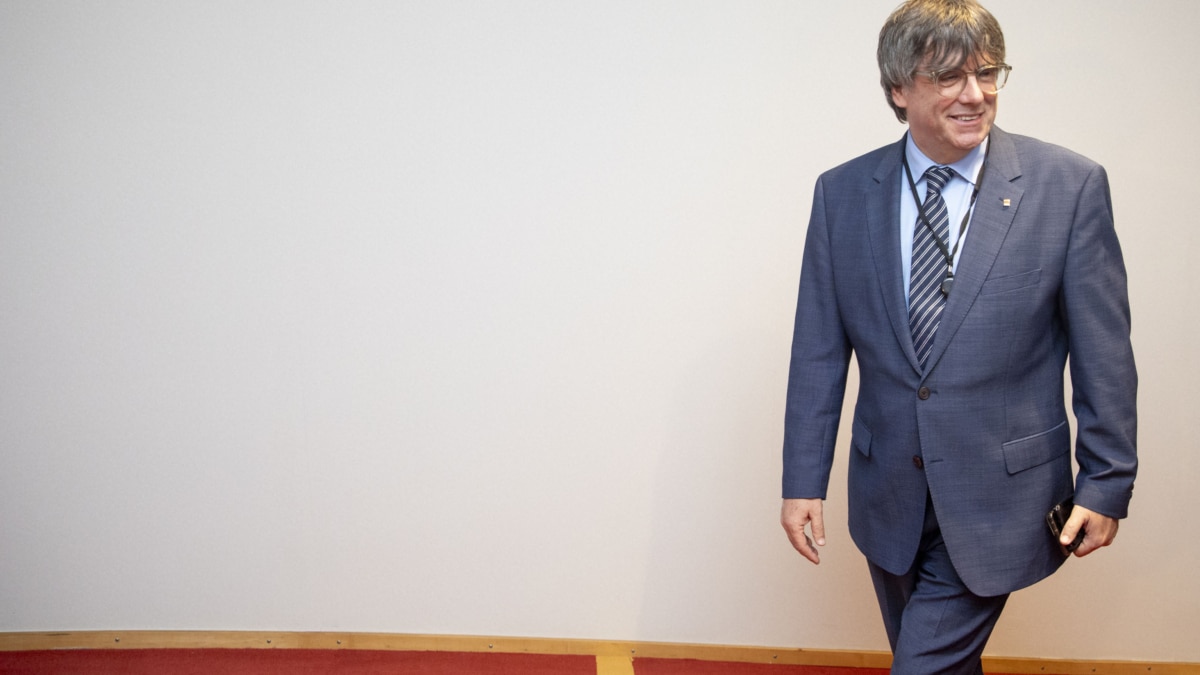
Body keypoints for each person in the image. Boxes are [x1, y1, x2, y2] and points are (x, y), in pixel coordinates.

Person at [779, 0, 1137, 672]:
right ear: (898, 89)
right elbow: (819, 351)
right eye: (948, 77)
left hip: (1005, 497)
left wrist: (1106, 481)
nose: (975, 95)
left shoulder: (1069, 187)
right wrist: (804, 481)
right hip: (887, 493)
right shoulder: (842, 194)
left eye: (987, 72)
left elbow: (1104, 354)